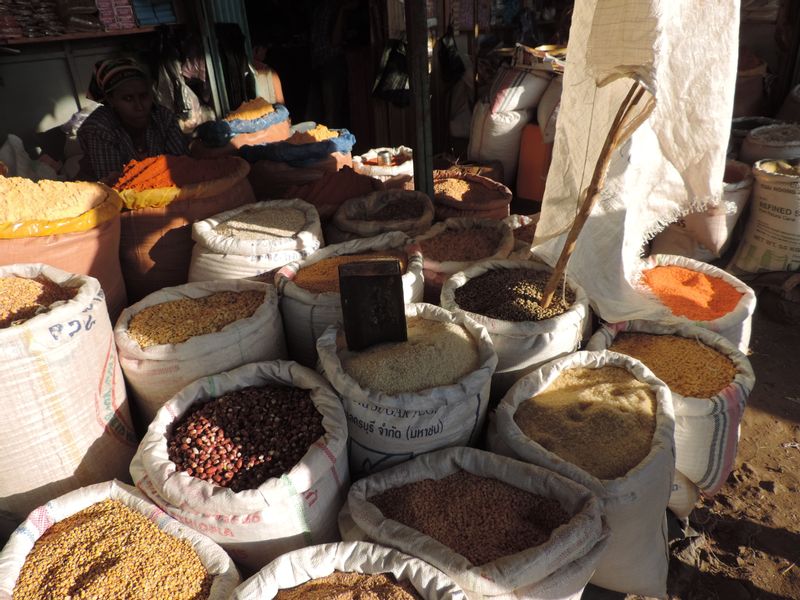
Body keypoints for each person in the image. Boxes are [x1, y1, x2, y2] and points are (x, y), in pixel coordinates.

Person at [77, 57, 188, 182]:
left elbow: (181, 166)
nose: (139, 106)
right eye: (128, 98)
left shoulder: (164, 117)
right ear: (110, 100)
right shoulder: (98, 128)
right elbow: (115, 182)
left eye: (144, 96)